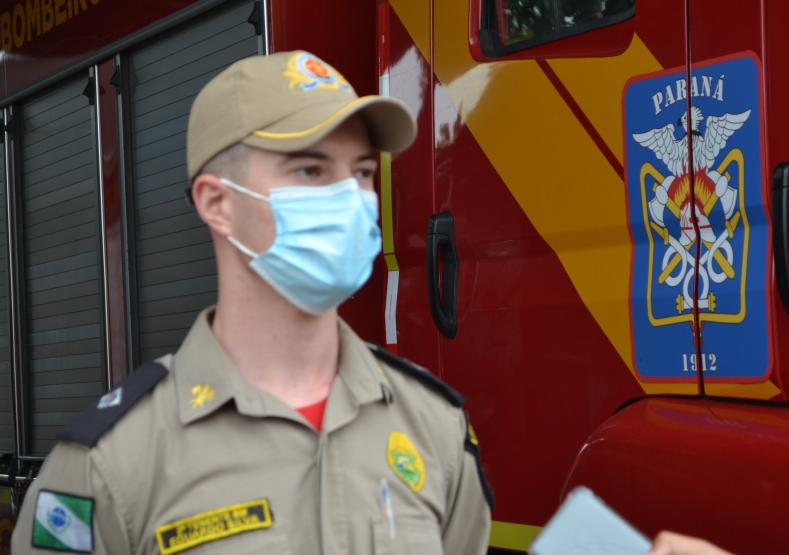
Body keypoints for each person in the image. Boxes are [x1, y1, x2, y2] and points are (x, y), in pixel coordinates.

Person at [12, 50, 491, 554]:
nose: (352, 198)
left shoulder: (434, 426)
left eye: (363, 171)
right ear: (217, 203)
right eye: (310, 170)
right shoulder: (107, 464)